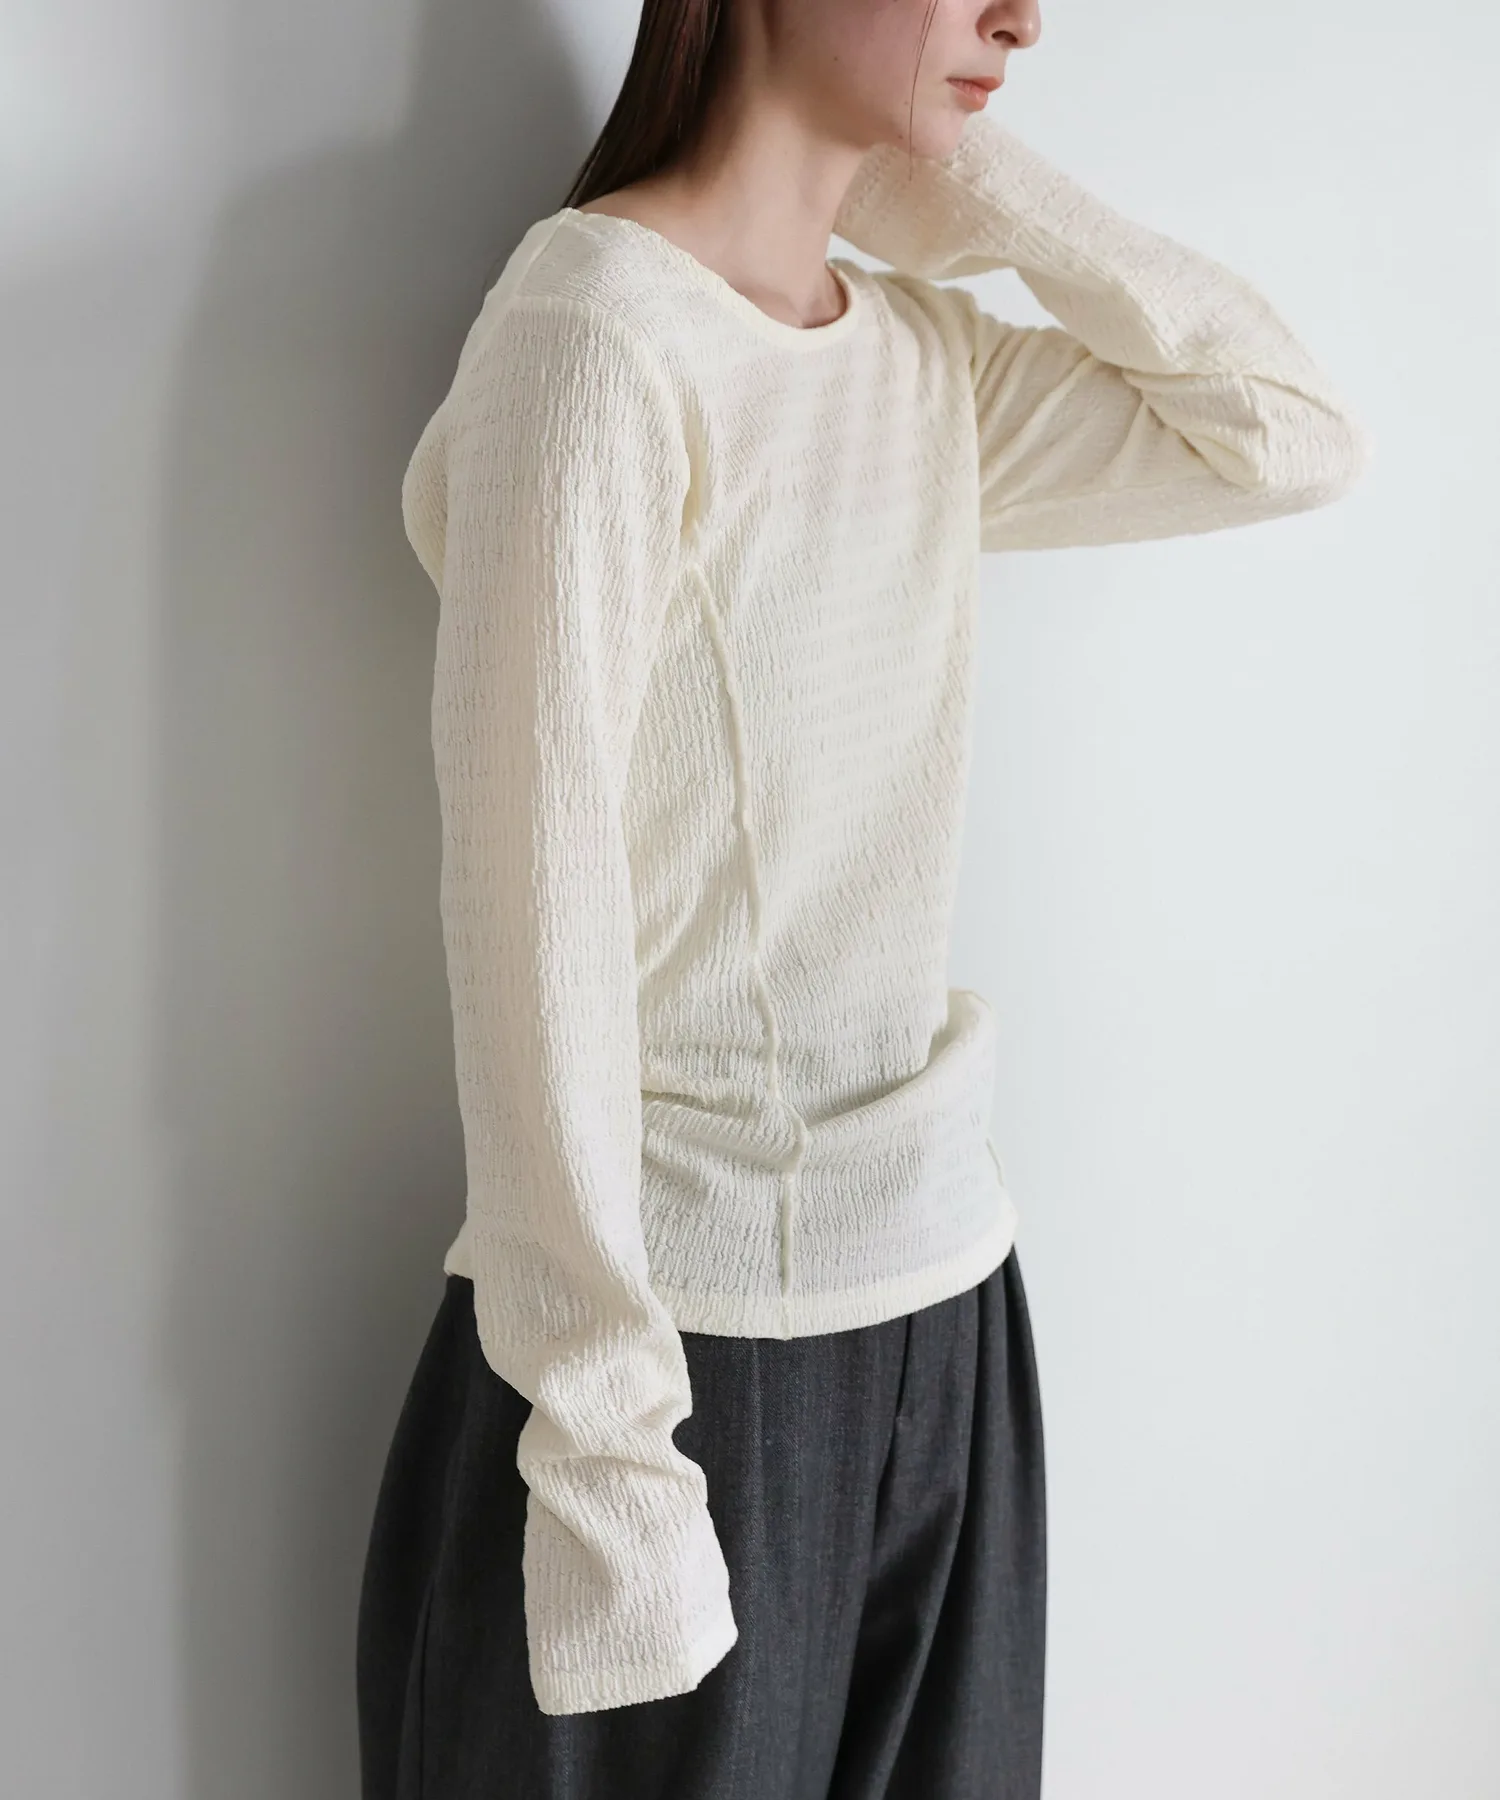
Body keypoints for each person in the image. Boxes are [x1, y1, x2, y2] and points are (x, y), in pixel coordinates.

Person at [355, 0, 1372, 1794]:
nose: (1021, 16)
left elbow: (1287, 433)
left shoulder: (918, 361)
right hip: (667, 1379)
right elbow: (528, 929)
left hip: (944, 1309)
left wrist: (980, 196)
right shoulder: (595, 339)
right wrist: (611, 1456)